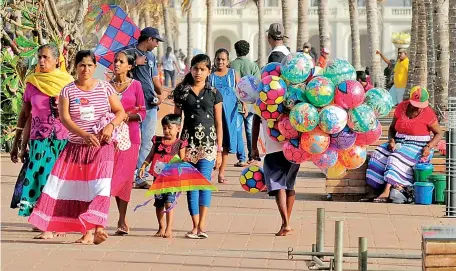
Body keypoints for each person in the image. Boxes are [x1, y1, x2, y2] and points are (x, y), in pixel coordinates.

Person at [28, 50, 126, 245]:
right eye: (82, 65)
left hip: (102, 147)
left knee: (101, 187)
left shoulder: (105, 88)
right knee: (76, 189)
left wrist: (110, 125)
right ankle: (87, 233)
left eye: (90, 65)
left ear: (95, 67)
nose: (86, 69)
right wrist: (84, 135)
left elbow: (120, 111)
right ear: (76, 67)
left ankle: (98, 228)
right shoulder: (67, 90)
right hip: (76, 147)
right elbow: (65, 118)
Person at [9, 44, 74, 239]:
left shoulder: (68, 84)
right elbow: (25, 115)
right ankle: (44, 220)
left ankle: (54, 222)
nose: (41, 61)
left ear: (56, 60)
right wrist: (18, 144)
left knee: (58, 181)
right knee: (41, 179)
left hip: (62, 140)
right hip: (39, 141)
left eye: (46, 57)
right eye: (39, 57)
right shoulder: (32, 83)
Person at [252, 23, 299, 236]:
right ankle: (286, 222)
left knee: (277, 180)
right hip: (296, 128)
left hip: (274, 129)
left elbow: (263, 103)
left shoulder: (273, 61)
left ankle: (285, 222)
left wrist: (253, 144)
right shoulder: (293, 58)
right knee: (289, 181)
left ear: (269, 37)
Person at [173, 54, 223, 239]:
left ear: (209, 71)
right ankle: (194, 225)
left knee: (204, 184)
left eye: (203, 69)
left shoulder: (214, 93)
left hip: (209, 145)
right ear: (190, 69)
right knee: (191, 185)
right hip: (188, 144)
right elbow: (176, 122)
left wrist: (219, 151)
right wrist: (177, 147)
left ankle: (202, 225)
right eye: (195, 68)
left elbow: (219, 123)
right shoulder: (182, 92)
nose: (198, 72)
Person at [365, 87, 443, 203]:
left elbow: (438, 133)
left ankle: (387, 190)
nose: (418, 107)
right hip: (399, 142)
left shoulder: (428, 113)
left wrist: (429, 146)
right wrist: (391, 140)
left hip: (419, 146)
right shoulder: (401, 107)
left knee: (395, 157)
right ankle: (373, 190)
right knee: (377, 154)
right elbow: (392, 128)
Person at [109, 51, 146, 235]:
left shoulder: (136, 86)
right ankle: (102, 217)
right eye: (115, 60)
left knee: (124, 179)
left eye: (121, 61)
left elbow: (143, 111)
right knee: (111, 177)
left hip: (131, 138)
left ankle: (122, 219)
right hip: (110, 138)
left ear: (129, 66)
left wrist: (127, 116)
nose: (116, 64)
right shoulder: (107, 86)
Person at [125, 27, 164, 189]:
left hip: (150, 103)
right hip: (133, 105)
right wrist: (134, 63)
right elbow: (117, 68)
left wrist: (160, 93)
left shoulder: (152, 56)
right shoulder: (128, 52)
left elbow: (154, 78)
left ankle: (139, 176)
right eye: (156, 41)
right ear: (149, 39)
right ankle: (126, 175)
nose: (156, 45)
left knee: (147, 141)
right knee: (129, 140)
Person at [138, 114, 187, 238]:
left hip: (172, 180)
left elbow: (182, 160)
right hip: (158, 180)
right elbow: (150, 156)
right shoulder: (158, 141)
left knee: (169, 203)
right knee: (159, 203)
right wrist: (144, 165)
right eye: (164, 128)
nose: (167, 131)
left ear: (178, 128)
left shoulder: (179, 144)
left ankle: (169, 228)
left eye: (170, 128)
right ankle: (161, 227)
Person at [210, 48, 246, 181]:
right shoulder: (210, 76)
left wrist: (244, 104)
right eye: (218, 59)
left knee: (226, 142)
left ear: (228, 61)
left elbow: (241, 90)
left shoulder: (233, 73)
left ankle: (222, 172)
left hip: (230, 112)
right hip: (214, 113)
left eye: (223, 59)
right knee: (214, 141)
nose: (220, 62)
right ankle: (211, 170)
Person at [230, 40, 260, 164]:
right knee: (249, 130)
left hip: (234, 104)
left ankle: (241, 158)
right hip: (251, 104)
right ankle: (251, 156)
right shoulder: (253, 66)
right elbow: (258, 83)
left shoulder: (231, 65)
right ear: (247, 50)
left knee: (237, 130)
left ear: (235, 50)